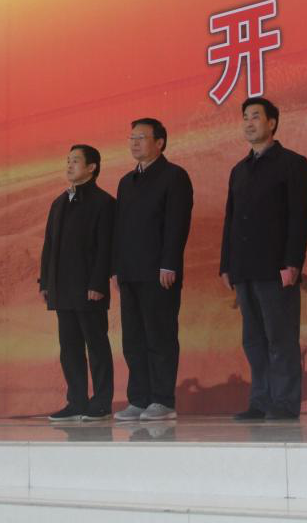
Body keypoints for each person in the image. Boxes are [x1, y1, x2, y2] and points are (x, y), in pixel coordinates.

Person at [220, 97, 307, 421]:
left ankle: (285, 402)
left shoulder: (293, 163)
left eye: (255, 117)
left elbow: (301, 217)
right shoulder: (239, 170)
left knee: (281, 338)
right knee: (253, 340)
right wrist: (226, 264)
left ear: (272, 123)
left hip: (276, 267)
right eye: (245, 117)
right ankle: (260, 401)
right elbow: (231, 220)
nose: (249, 123)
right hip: (244, 267)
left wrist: (293, 262)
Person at [112, 118, 194, 422]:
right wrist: (116, 268)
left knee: (160, 336)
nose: (134, 143)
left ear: (159, 142)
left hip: (160, 273)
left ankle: (162, 400)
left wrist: (169, 263)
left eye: (141, 137)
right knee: (133, 339)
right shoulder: (126, 182)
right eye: (131, 137)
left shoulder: (174, 176)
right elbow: (119, 229)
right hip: (129, 272)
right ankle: (139, 399)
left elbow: (177, 223)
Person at [39, 145, 116, 422]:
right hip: (62, 289)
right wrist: (45, 282)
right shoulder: (59, 202)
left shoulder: (104, 203)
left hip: (89, 288)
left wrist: (98, 283)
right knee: (69, 348)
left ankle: (102, 402)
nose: (69, 165)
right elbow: (49, 245)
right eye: (68, 161)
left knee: (96, 346)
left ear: (92, 167)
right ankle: (77, 402)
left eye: (75, 161)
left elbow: (106, 248)